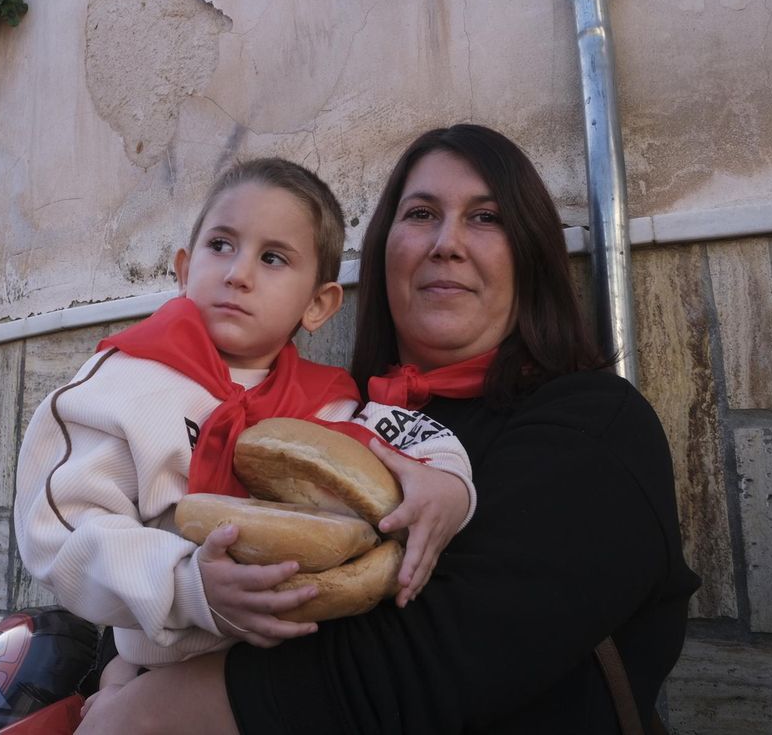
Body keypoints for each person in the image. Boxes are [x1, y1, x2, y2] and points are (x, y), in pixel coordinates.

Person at [78, 125, 701, 735]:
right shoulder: (319, 419)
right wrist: (122, 668)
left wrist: (157, 709)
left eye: (485, 218)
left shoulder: (595, 425)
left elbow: (438, 658)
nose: (447, 243)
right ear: (383, 252)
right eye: (421, 214)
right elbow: (176, 533)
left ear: (531, 255)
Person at [14, 158, 476, 704]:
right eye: (221, 245)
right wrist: (187, 584)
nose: (239, 273)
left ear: (317, 304)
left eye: (273, 257)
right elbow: (59, 529)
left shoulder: (325, 405)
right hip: (156, 680)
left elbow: (414, 438)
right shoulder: (127, 382)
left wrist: (450, 485)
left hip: (283, 687)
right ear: (185, 269)